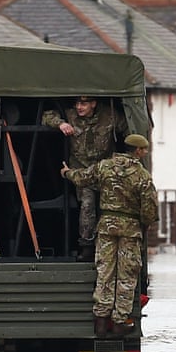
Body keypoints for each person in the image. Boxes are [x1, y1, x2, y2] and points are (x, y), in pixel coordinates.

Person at [60, 134, 158, 337]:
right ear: (138, 151)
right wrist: (145, 224)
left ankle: (101, 322)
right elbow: (149, 209)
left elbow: (82, 178)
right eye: (145, 150)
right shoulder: (142, 175)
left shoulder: (104, 166)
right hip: (130, 229)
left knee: (105, 272)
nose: (145, 153)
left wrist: (67, 172)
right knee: (126, 275)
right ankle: (120, 321)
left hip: (106, 227)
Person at [43, 96, 128, 261]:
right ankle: (87, 245)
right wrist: (60, 123)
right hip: (82, 171)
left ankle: (110, 246)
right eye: (77, 103)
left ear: (93, 104)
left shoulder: (110, 115)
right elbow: (46, 116)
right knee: (87, 205)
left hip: (104, 170)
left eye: (83, 103)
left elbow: (128, 129)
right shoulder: (71, 115)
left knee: (109, 207)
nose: (79, 107)